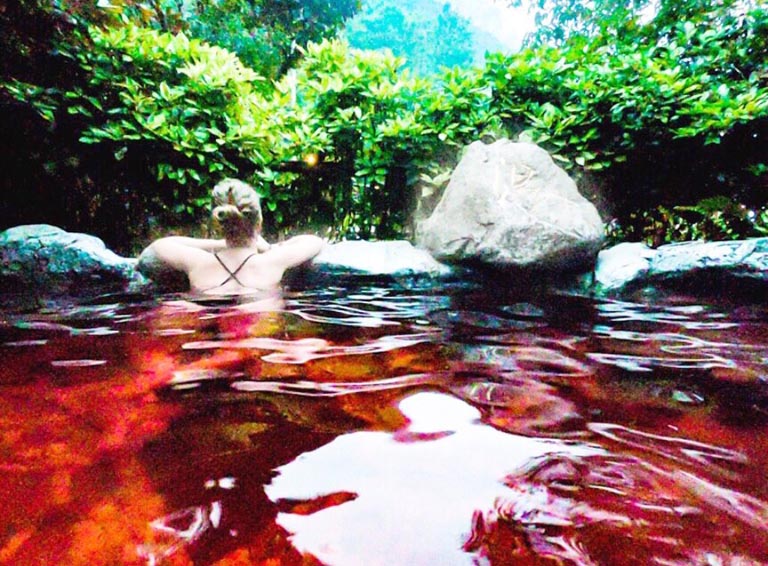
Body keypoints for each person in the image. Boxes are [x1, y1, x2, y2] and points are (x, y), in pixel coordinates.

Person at [139, 178, 324, 298]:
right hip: (258, 336)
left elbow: (160, 245)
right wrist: (270, 248)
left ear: (219, 225)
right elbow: (313, 241)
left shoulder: (199, 263)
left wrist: (217, 245)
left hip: (206, 326)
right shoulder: (272, 261)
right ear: (258, 222)